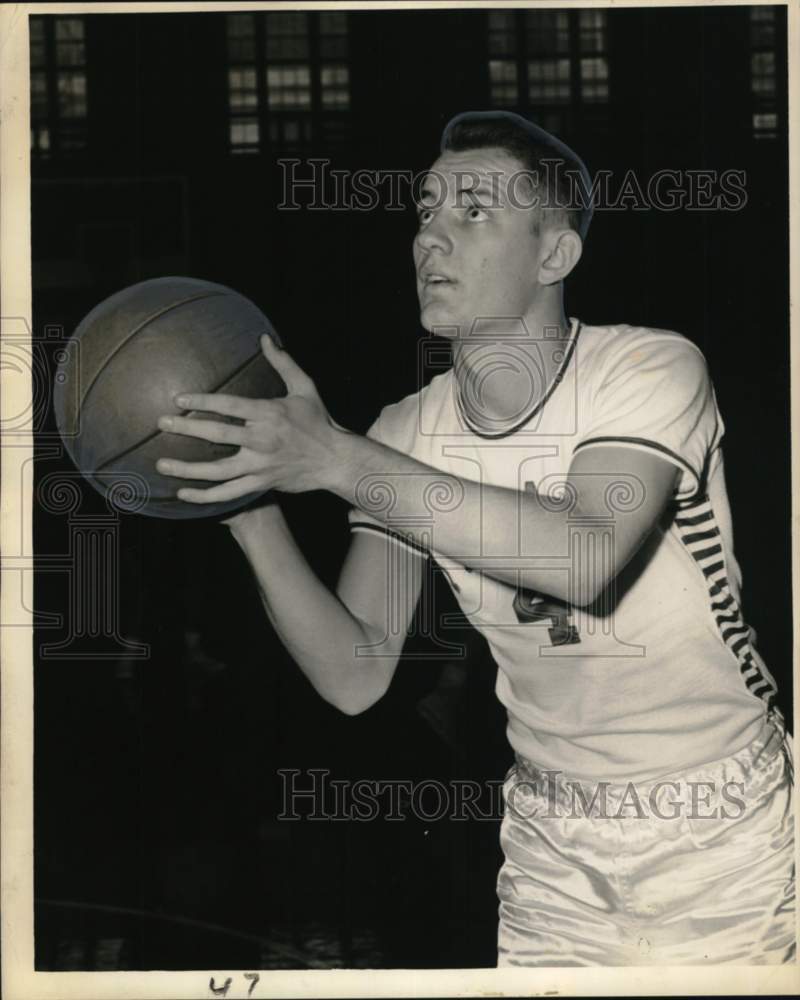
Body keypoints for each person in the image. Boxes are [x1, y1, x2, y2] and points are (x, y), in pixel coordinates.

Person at [154, 111, 795, 966]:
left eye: (473, 211)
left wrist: (337, 458)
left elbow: (585, 556)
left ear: (554, 255)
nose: (430, 237)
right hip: (550, 836)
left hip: (720, 816)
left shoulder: (647, 369)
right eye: (425, 211)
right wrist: (244, 505)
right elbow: (353, 675)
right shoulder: (403, 432)